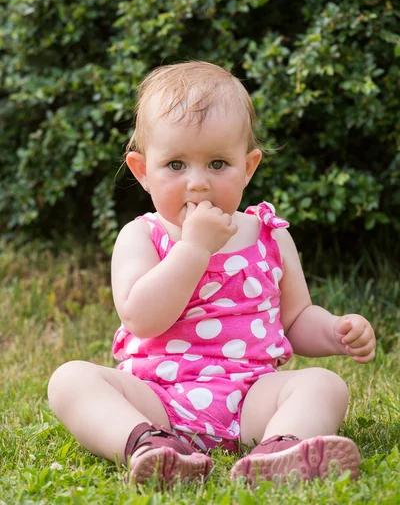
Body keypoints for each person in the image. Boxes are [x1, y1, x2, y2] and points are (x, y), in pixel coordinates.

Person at [48, 61, 376, 487]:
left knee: (325, 385)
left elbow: (294, 320)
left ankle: (279, 450)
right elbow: (141, 318)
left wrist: (334, 331)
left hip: (251, 398)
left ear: (249, 166)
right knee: (70, 380)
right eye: (176, 165)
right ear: (143, 171)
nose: (198, 183)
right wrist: (194, 249)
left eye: (218, 164)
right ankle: (150, 445)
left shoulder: (269, 236)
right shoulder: (141, 237)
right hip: (158, 398)